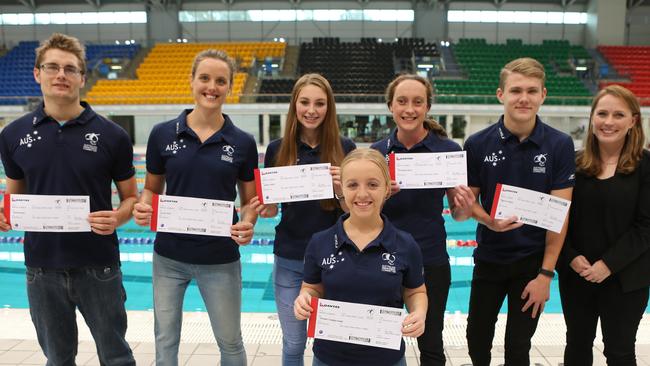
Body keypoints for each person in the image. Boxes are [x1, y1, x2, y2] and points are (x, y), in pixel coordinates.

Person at [0, 33, 137, 365]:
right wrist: (4, 216)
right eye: (52, 67)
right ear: (37, 74)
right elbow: (14, 199)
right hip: (42, 267)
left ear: (82, 78)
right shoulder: (13, 135)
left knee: (116, 356)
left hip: (99, 265)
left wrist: (118, 217)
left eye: (70, 69)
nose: (61, 75)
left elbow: (131, 198)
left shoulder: (112, 135)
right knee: (58, 359)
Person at [132, 49, 258, 366]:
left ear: (230, 87)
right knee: (166, 341)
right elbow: (150, 189)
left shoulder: (242, 142)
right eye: (204, 78)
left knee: (230, 342)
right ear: (191, 81)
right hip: (169, 257)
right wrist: (144, 207)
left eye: (220, 81)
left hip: (220, 259)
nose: (211, 87)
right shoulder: (162, 134)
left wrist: (248, 223)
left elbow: (250, 202)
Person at [463, 57, 575, 365]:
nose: (523, 98)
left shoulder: (560, 144)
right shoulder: (477, 144)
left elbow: (560, 214)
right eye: (515, 91)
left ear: (543, 95)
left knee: (518, 346)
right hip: (489, 258)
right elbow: (466, 204)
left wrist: (545, 275)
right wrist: (489, 221)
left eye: (531, 91)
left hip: (531, 264)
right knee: (476, 338)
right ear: (501, 95)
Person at [249, 73, 355, 366]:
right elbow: (272, 210)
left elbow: (355, 211)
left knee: (331, 342)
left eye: (320, 103)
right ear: (294, 105)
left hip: (336, 258)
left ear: (329, 108)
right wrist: (264, 207)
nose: (312, 110)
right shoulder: (277, 149)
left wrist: (340, 191)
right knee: (294, 342)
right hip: (290, 257)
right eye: (305, 102)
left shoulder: (345, 149)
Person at [370, 74, 475, 366]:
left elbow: (458, 213)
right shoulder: (376, 154)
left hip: (431, 259)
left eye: (418, 102)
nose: (409, 109)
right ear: (390, 105)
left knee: (431, 343)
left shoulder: (449, 151)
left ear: (428, 106)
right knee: (381, 342)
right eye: (402, 101)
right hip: (382, 258)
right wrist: (380, 196)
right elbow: (360, 212)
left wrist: (465, 207)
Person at [293, 148, 428, 366]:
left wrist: (419, 312)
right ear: (342, 190)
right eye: (353, 185)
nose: (362, 194)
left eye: (372, 184)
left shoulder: (405, 244)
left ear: (386, 189)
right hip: (329, 358)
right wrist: (304, 299)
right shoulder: (320, 242)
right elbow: (312, 288)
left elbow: (415, 291)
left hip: (387, 359)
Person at [559, 85, 650, 365]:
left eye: (618, 115)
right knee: (577, 346)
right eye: (602, 113)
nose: (608, 122)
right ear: (592, 118)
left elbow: (646, 226)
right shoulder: (572, 164)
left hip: (626, 277)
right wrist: (571, 258)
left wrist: (607, 264)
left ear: (633, 121)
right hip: (578, 275)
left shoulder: (646, 166)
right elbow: (557, 219)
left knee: (620, 351)